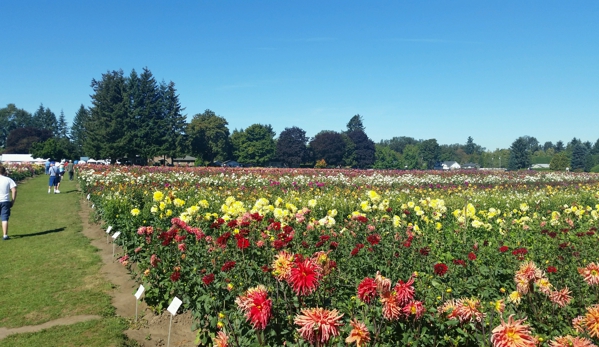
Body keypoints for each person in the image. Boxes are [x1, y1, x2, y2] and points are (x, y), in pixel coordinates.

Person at [0, 165, 17, 240]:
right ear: (4, 172)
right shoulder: (8, 179)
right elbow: (14, 190)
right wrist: (13, 201)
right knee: (4, 218)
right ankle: (5, 235)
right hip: (5, 200)